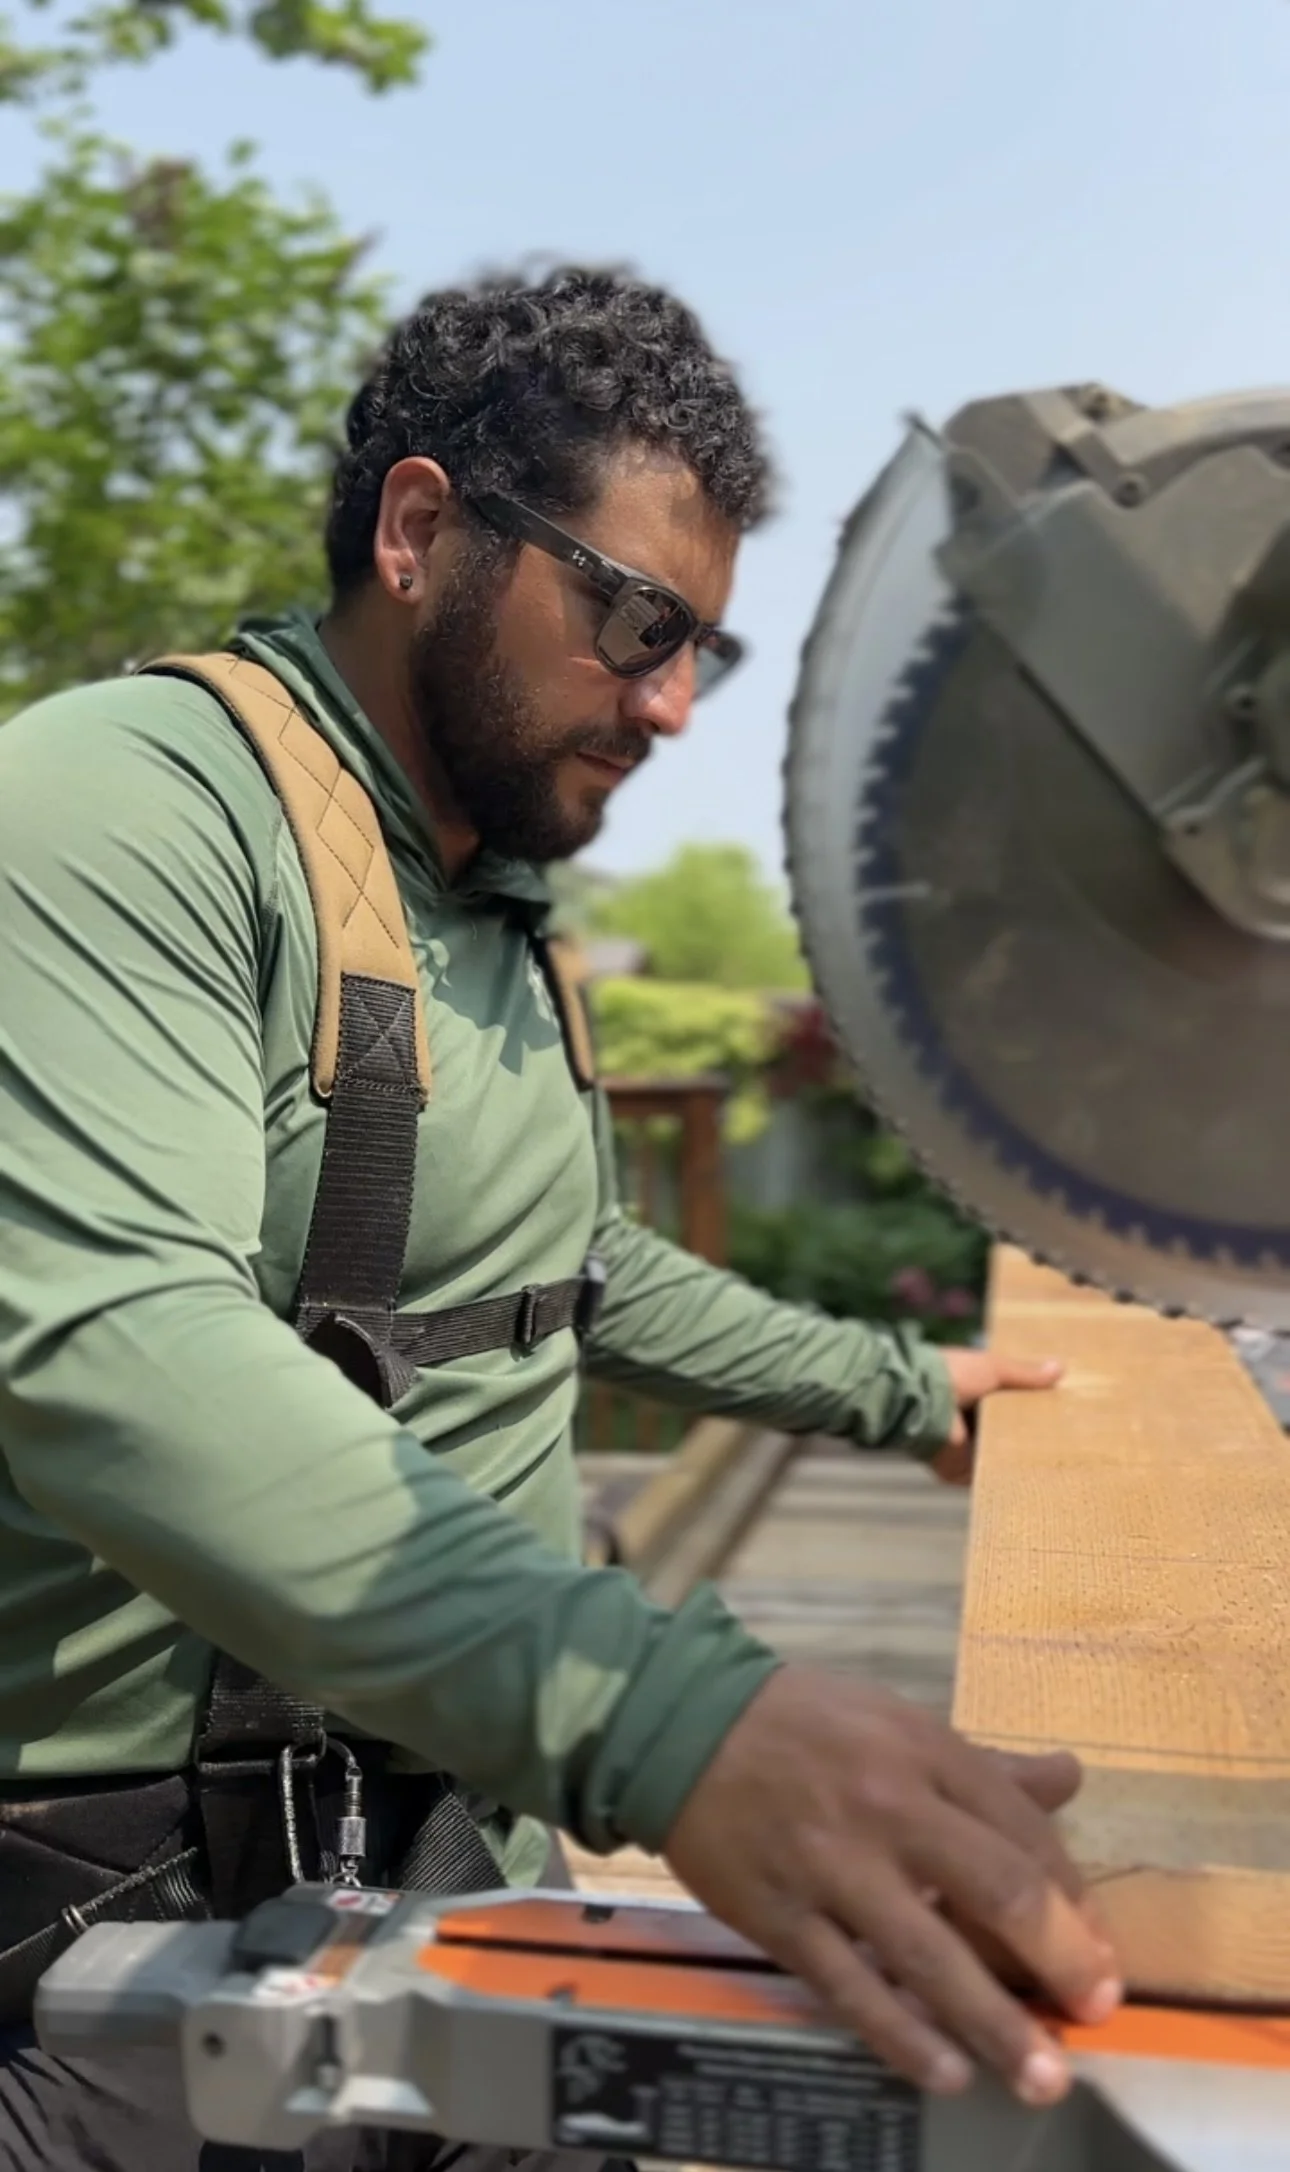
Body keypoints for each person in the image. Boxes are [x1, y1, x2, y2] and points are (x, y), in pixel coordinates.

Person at [0, 263, 1119, 2170]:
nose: (673, 703)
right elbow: (111, 1345)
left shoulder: (492, 901)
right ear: (422, 528)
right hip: (143, 1900)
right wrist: (664, 1721)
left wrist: (892, 1384)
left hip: (465, 1845)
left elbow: (562, 1274)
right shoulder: (123, 808)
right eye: (631, 619)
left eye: (709, 651)